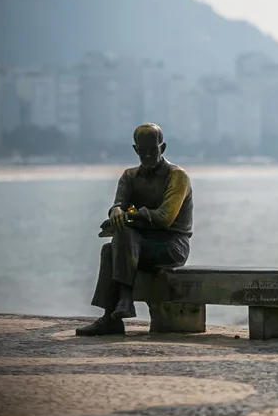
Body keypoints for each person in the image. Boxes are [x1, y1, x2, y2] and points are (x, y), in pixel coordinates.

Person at [76, 123, 193, 336]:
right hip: (136, 243)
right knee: (110, 249)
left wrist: (129, 216)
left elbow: (165, 219)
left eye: (153, 150)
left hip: (171, 245)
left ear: (163, 148)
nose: (148, 156)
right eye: (143, 151)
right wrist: (116, 213)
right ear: (135, 149)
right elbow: (119, 205)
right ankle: (113, 315)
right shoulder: (129, 176)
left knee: (122, 237)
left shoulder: (177, 177)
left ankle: (122, 301)